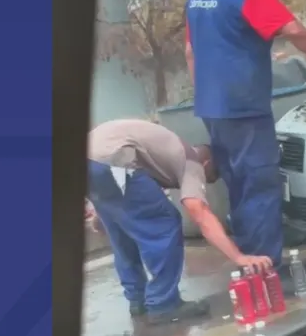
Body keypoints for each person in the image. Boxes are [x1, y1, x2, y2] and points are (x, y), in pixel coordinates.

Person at [184, 0, 306, 270]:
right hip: (244, 107)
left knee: (239, 187)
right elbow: (293, 30)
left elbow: (190, 52)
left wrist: (207, 95)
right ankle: (266, 272)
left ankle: (249, 265)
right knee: (261, 185)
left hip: (213, 108)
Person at [86, 119, 273, 324]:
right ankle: (163, 304)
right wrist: (239, 257)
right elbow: (199, 212)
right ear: (207, 164)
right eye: (210, 178)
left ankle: (137, 300)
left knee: (122, 231)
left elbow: (119, 193)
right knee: (165, 223)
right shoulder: (192, 163)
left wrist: (102, 213)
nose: (204, 183)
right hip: (114, 160)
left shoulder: (164, 154)